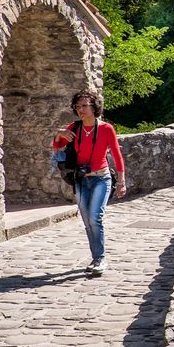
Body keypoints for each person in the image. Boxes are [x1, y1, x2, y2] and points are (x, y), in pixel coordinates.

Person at [52, 90, 127, 275]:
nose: (81, 110)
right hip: (80, 180)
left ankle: (101, 258)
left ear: (95, 107)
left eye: (85, 106)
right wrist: (59, 133)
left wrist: (122, 181)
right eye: (78, 106)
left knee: (95, 218)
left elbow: (117, 155)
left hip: (101, 178)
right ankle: (95, 258)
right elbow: (57, 147)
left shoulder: (106, 128)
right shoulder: (74, 127)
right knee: (87, 222)